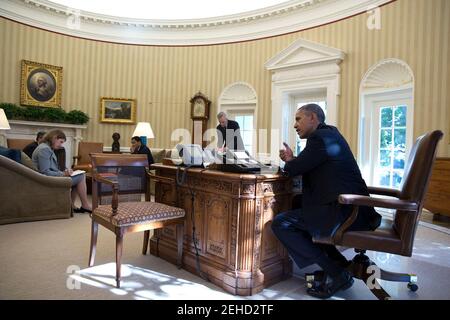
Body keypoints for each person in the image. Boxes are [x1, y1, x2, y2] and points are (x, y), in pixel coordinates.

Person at [272, 103, 381, 299]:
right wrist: (293, 159)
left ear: (313, 118)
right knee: (298, 203)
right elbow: (309, 164)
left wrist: (290, 162)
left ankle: (337, 272)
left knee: (281, 223)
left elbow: (293, 170)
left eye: (298, 119)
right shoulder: (329, 135)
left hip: (348, 213)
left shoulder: (319, 138)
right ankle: (339, 263)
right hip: (356, 209)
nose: (295, 125)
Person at [32, 129, 92, 213]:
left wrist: (66, 171)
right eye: (60, 142)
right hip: (45, 180)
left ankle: (71, 205)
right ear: (54, 138)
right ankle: (84, 205)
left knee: (79, 175)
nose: (61, 145)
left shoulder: (47, 148)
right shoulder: (44, 150)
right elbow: (45, 172)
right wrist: (63, 174)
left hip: (48, 177)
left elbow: (52, 168)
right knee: (81, 176)